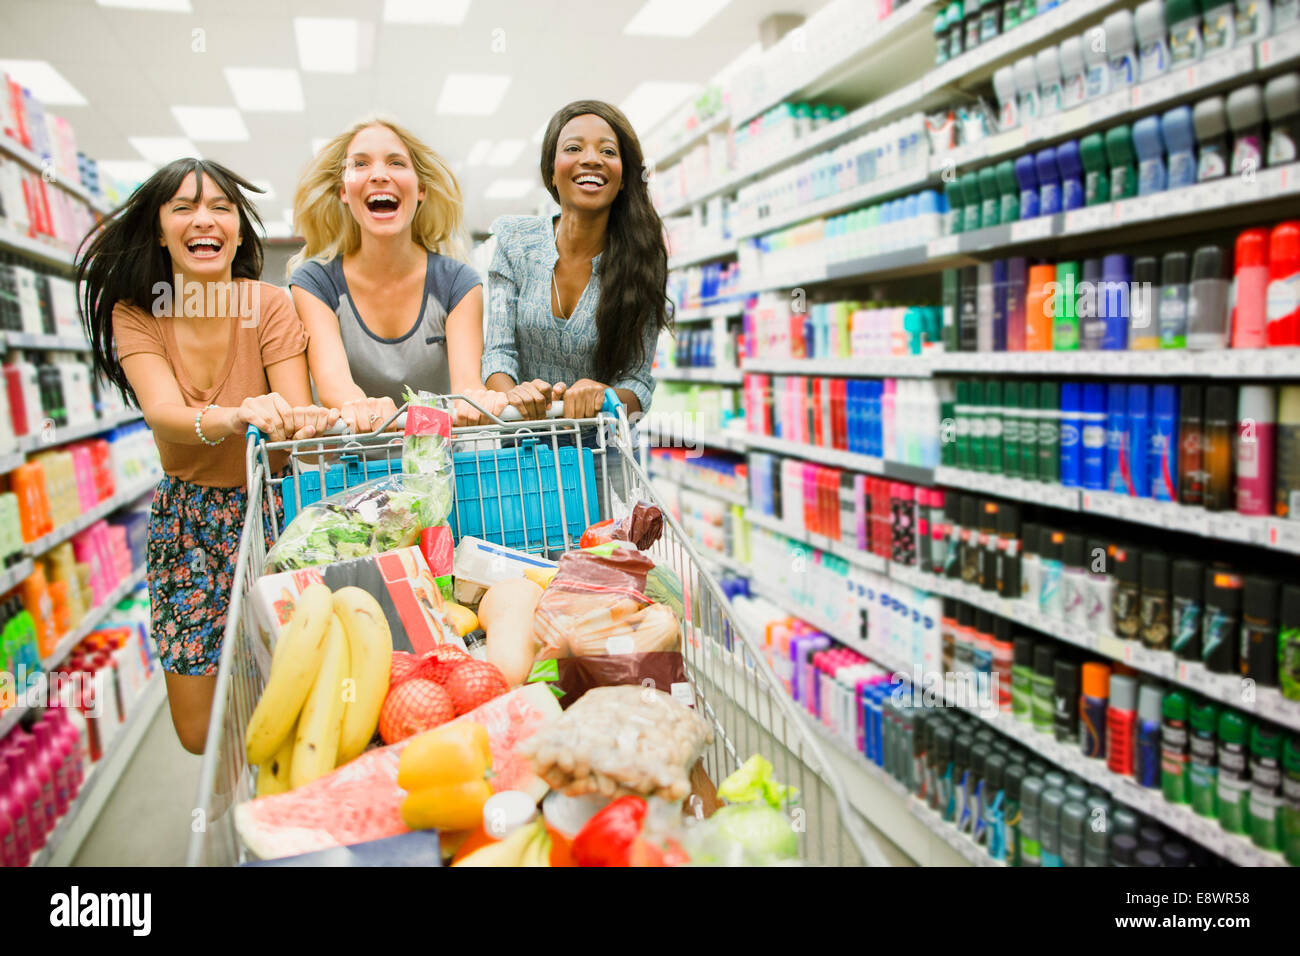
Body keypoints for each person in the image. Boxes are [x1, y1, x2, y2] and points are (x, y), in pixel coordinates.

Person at [77, 159, 337, 754]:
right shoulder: (137, 313)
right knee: (199, 732)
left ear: (240, 232)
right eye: (184, 207)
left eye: (221, 207)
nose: (205, 219)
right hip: (188, 523)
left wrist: (303, 420)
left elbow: (291, 420)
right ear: (160, 230)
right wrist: (236, 415)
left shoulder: (269, 305)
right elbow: (164, 413)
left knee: (300, 693)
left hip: (278, 515)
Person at [289, 116, 504, 430]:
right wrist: (362, 405)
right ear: (343, 193)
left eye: (396, 163)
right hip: (355, 464)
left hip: (437, 463)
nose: (378, 175)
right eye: (360, 164)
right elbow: (334, 386)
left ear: (421, 190)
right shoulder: (315, 282)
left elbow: (466, 387)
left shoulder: (458, 283)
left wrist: (479, 399)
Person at [482, 99, 672, 422]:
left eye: (608, 152)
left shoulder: (642, 258)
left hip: (603, 456)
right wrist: (513, 394)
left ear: (624, 177)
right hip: (523, 451)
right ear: (552, 172)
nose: (591, 159)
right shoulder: (514, 241)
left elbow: (638, 382)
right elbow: (498, 354)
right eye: (573, 148)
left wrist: (605, 396)